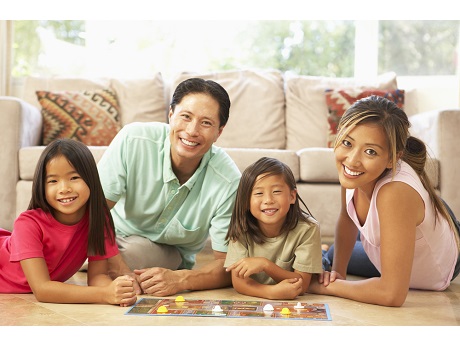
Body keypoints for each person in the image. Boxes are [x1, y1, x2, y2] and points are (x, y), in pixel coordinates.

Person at [309, 95, 460, 307]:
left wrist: (320, 286)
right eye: (347, 143)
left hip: (446, 253)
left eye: (370, 151)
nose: (352, 160)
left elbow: (392, 294)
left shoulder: (394, 193)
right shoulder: (354, 173)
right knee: (335, 253)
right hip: (407, 214)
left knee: (337, 254)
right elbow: (347, 217)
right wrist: (337, 274)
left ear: (392, 158)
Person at [97, 77, 241, 296]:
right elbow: (93, 213)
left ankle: (88, 258)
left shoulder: (228, 180)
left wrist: (181, 279)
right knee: (74, 230)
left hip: (163, 252)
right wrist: (121, 270)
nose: (192, 131)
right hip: (108, 232)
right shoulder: (133, 139)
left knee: (134, 253)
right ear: (171, 115)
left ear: (218, 132)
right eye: (185, 117)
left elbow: (228, 266)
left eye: (206, 123)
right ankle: (92, 256)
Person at [0, 138, 137, 306]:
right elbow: (42, 289)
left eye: (74, 177)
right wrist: (103, 294)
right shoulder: (28, 224)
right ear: (41, 187)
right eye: (53, 181)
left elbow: (97, 277)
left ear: (90, 179)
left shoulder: (98, 218)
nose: (64, 188)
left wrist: (116, 291)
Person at [224, 157, 323, 300]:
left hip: (311, 252)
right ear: (246, 201)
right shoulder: (241, 228)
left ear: (292, 196)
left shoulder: (308, 228)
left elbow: (302, 284)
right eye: (259, 193)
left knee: (323, 267)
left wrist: (265, 265)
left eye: (276, 191)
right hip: (292, 265)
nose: (268, 200)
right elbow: (239, 282)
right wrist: (270, 292)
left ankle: (323, 251)